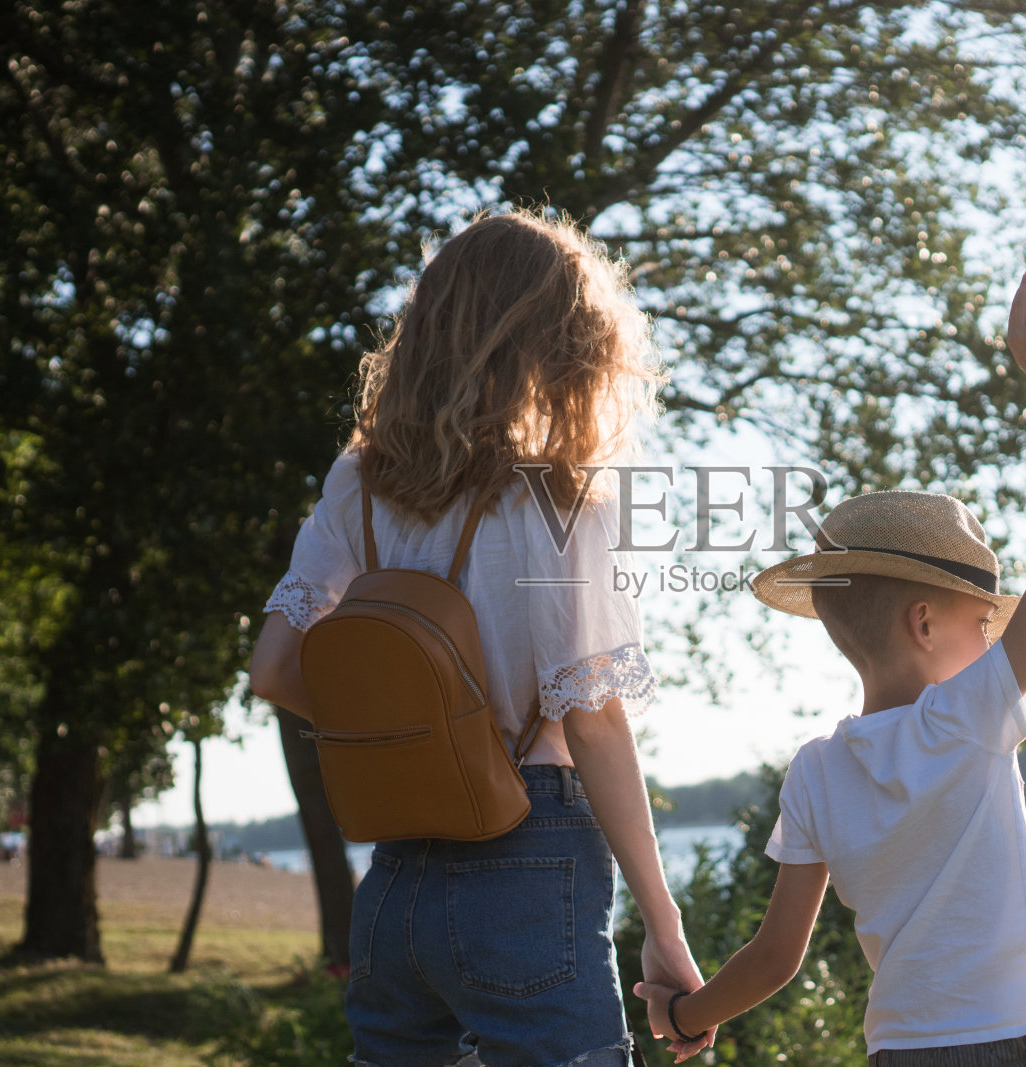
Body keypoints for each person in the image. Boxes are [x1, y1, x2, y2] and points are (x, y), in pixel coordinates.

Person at [249, 209, 712, 1067]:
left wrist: (423, 727)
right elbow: (595, 722)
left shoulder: (356, 481)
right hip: (530, 859)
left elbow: (275, 666)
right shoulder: (558, 498)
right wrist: (662, 921)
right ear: (565, 346)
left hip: (395, 882)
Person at [633, 269, 1026, 1066]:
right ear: (924, 622)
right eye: (980, 622)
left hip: (902, 1051)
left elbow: (777, 957)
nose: (992, 645)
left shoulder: (814, 773)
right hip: (1010, 1041)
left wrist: (686, 1013)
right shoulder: (970, 715)